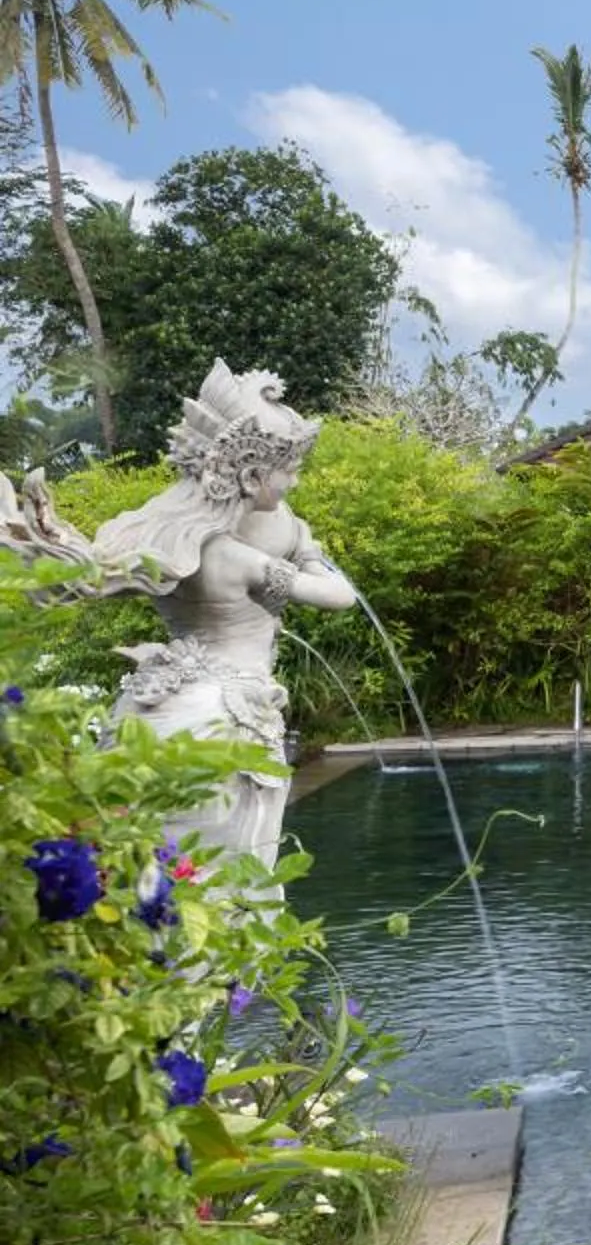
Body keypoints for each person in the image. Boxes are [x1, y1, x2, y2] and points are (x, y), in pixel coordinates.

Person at [0, 362, 354, 869]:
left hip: (153, 706)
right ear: (253, 476)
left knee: (151, 869)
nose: (295, 482)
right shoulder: (233, 558)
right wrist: (312, 554)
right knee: (225, 879)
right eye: (290, 470)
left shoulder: (159, 531)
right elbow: (339, 596)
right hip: (226, 716)